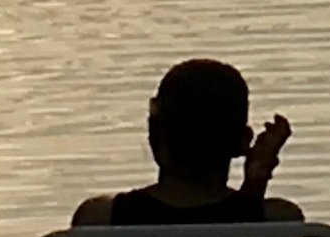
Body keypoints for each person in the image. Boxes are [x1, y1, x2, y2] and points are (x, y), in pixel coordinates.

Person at [70, 58, 299, 228]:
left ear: (154, 135)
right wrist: (256, 181)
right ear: (243, 141)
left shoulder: (98, 221)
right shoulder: (282, 223)